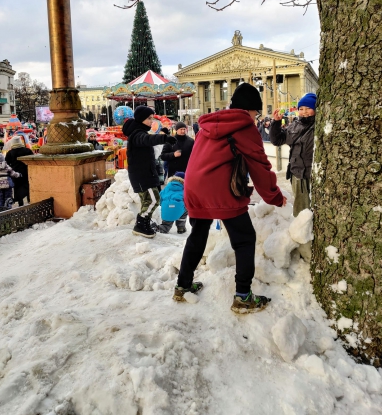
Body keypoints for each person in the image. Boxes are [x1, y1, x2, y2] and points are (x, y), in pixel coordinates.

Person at [173, 83, 286, 313]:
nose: (256, 117)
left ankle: (182, 287)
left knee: (197, 234)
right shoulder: (244, 127)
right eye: (256, 112)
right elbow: (260, 167)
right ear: (250, 109)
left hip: (194, 187)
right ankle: (243, 297)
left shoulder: (209, 123)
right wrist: (275, 196)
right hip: (218, 189)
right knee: (244, 238)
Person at [122, 106, 177, 238]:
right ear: (141, 119)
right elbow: (147, 140)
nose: (151, 121)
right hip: (141, 175)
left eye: (152, 118)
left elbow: (152, 144)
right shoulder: (137, 134)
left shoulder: (139, 132)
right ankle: (141, 224)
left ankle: (144, 224)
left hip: (145, 173)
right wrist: (164, 138)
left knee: (149, 200)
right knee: (153, 199)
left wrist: (162, 135)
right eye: (149, 118)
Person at [270, 93, 317, 217]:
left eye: (308, 108)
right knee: (301, 212)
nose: (304, 112)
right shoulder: (295, 125)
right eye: (301, 109)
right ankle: (301, 233)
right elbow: (277, 140)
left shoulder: (319, 126)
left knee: (314, 211)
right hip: (297, 175)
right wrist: (276, 122)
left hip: (313, 175)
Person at [5, 136, 34, 207]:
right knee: (28, 187)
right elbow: (33, 160)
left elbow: (6, 163)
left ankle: (20, 204)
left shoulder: (10, 152)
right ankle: (30, 201)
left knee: (17, 189)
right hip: (26, 173)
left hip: (15, 174)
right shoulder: (27, 150)